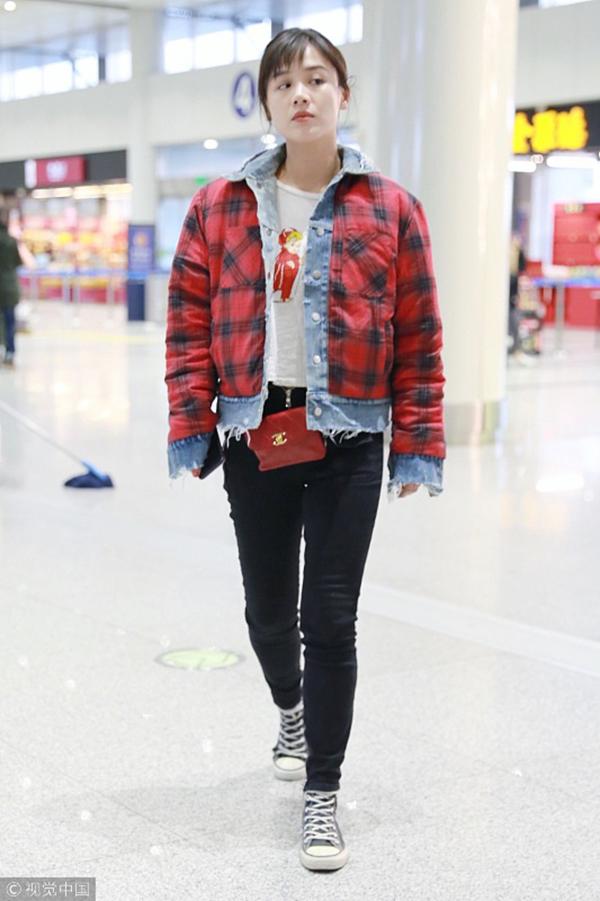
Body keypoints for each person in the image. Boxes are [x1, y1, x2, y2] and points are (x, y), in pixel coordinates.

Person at [165, 28, 445, 872]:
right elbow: (186, 324)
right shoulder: (218, 207)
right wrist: (192, 421)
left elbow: (420, 335)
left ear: (343, 95)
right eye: (284, 81)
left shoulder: (391, 208)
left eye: (318, 78)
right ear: (266, 101)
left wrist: (416, 442)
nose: (302, 94)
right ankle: (289, 708)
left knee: (329, 617)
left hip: (350, 434)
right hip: (258, 430)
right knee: (266, 613)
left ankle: (322, 789)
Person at [0, 209, 23, 368]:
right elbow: (17, 262)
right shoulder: (12, 241)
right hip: (9, 288)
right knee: (9, 322)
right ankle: (10, 352)